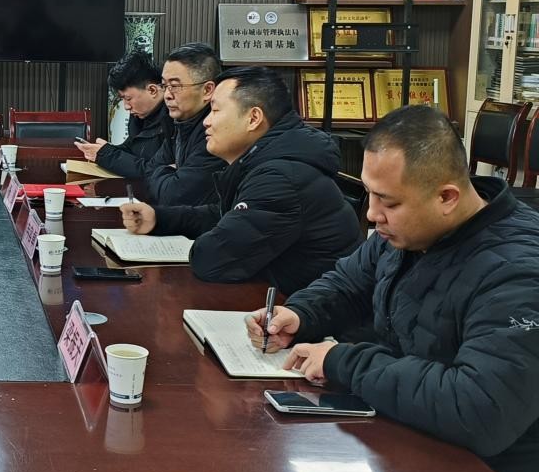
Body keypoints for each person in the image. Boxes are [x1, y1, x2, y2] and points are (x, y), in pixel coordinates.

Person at [245, 105, 539, 472]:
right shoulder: (411, 232)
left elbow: (480, 409)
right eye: (370, 193)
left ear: (447, 197)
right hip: (413, 447)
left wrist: (343, 361)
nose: (371, 214)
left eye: (388, 201)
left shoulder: (518, 272)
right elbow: (349, 282)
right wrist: (300, 314)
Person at [121, 67, 361, 293]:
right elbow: (223, 215)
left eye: (215, 110)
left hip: (302, 312)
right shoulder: (267, 159)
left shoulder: (280, 178)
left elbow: (211, 260)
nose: (206, 121)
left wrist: (205, 240)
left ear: (253, 118)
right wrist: (159, 219)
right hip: (276, 299)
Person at [141, 43, 228, 205]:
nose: (167, 95)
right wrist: (170, 173)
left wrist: (166, 172)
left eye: (175, 86)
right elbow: (148, 173)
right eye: (164, 86)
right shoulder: (176, 123)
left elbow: (173, 195)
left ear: (207, 90)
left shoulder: (216, 132)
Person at [73, 50, 172, 181]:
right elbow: (132, 151)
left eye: (128, 98)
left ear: (152, 90)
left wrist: (107, 155)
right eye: (123, 99)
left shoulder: (174, 119)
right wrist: (103, 150)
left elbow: (153, 170)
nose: (126, 106)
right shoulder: (140, 116)